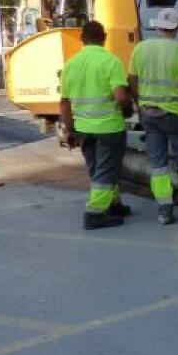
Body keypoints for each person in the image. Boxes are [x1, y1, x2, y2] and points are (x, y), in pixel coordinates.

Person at [128, 8, 178, 225]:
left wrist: (139, 103)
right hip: (177, 114)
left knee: (158, 164)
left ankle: (165, 210)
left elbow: (132, 80)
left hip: (150, 114)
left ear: (156, 26)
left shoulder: (140, 50)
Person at [60, 21, 134, 230]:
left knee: (97, 169)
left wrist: (70, 128)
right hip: (108, 127)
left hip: (83, 127)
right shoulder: (111, 62)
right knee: (106, 170)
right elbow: (120, 96)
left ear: (82, 39)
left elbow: (64, 102)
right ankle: (94, 213)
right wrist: (127, 108)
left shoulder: (70, 65)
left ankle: (113, 203)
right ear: (104, 38)